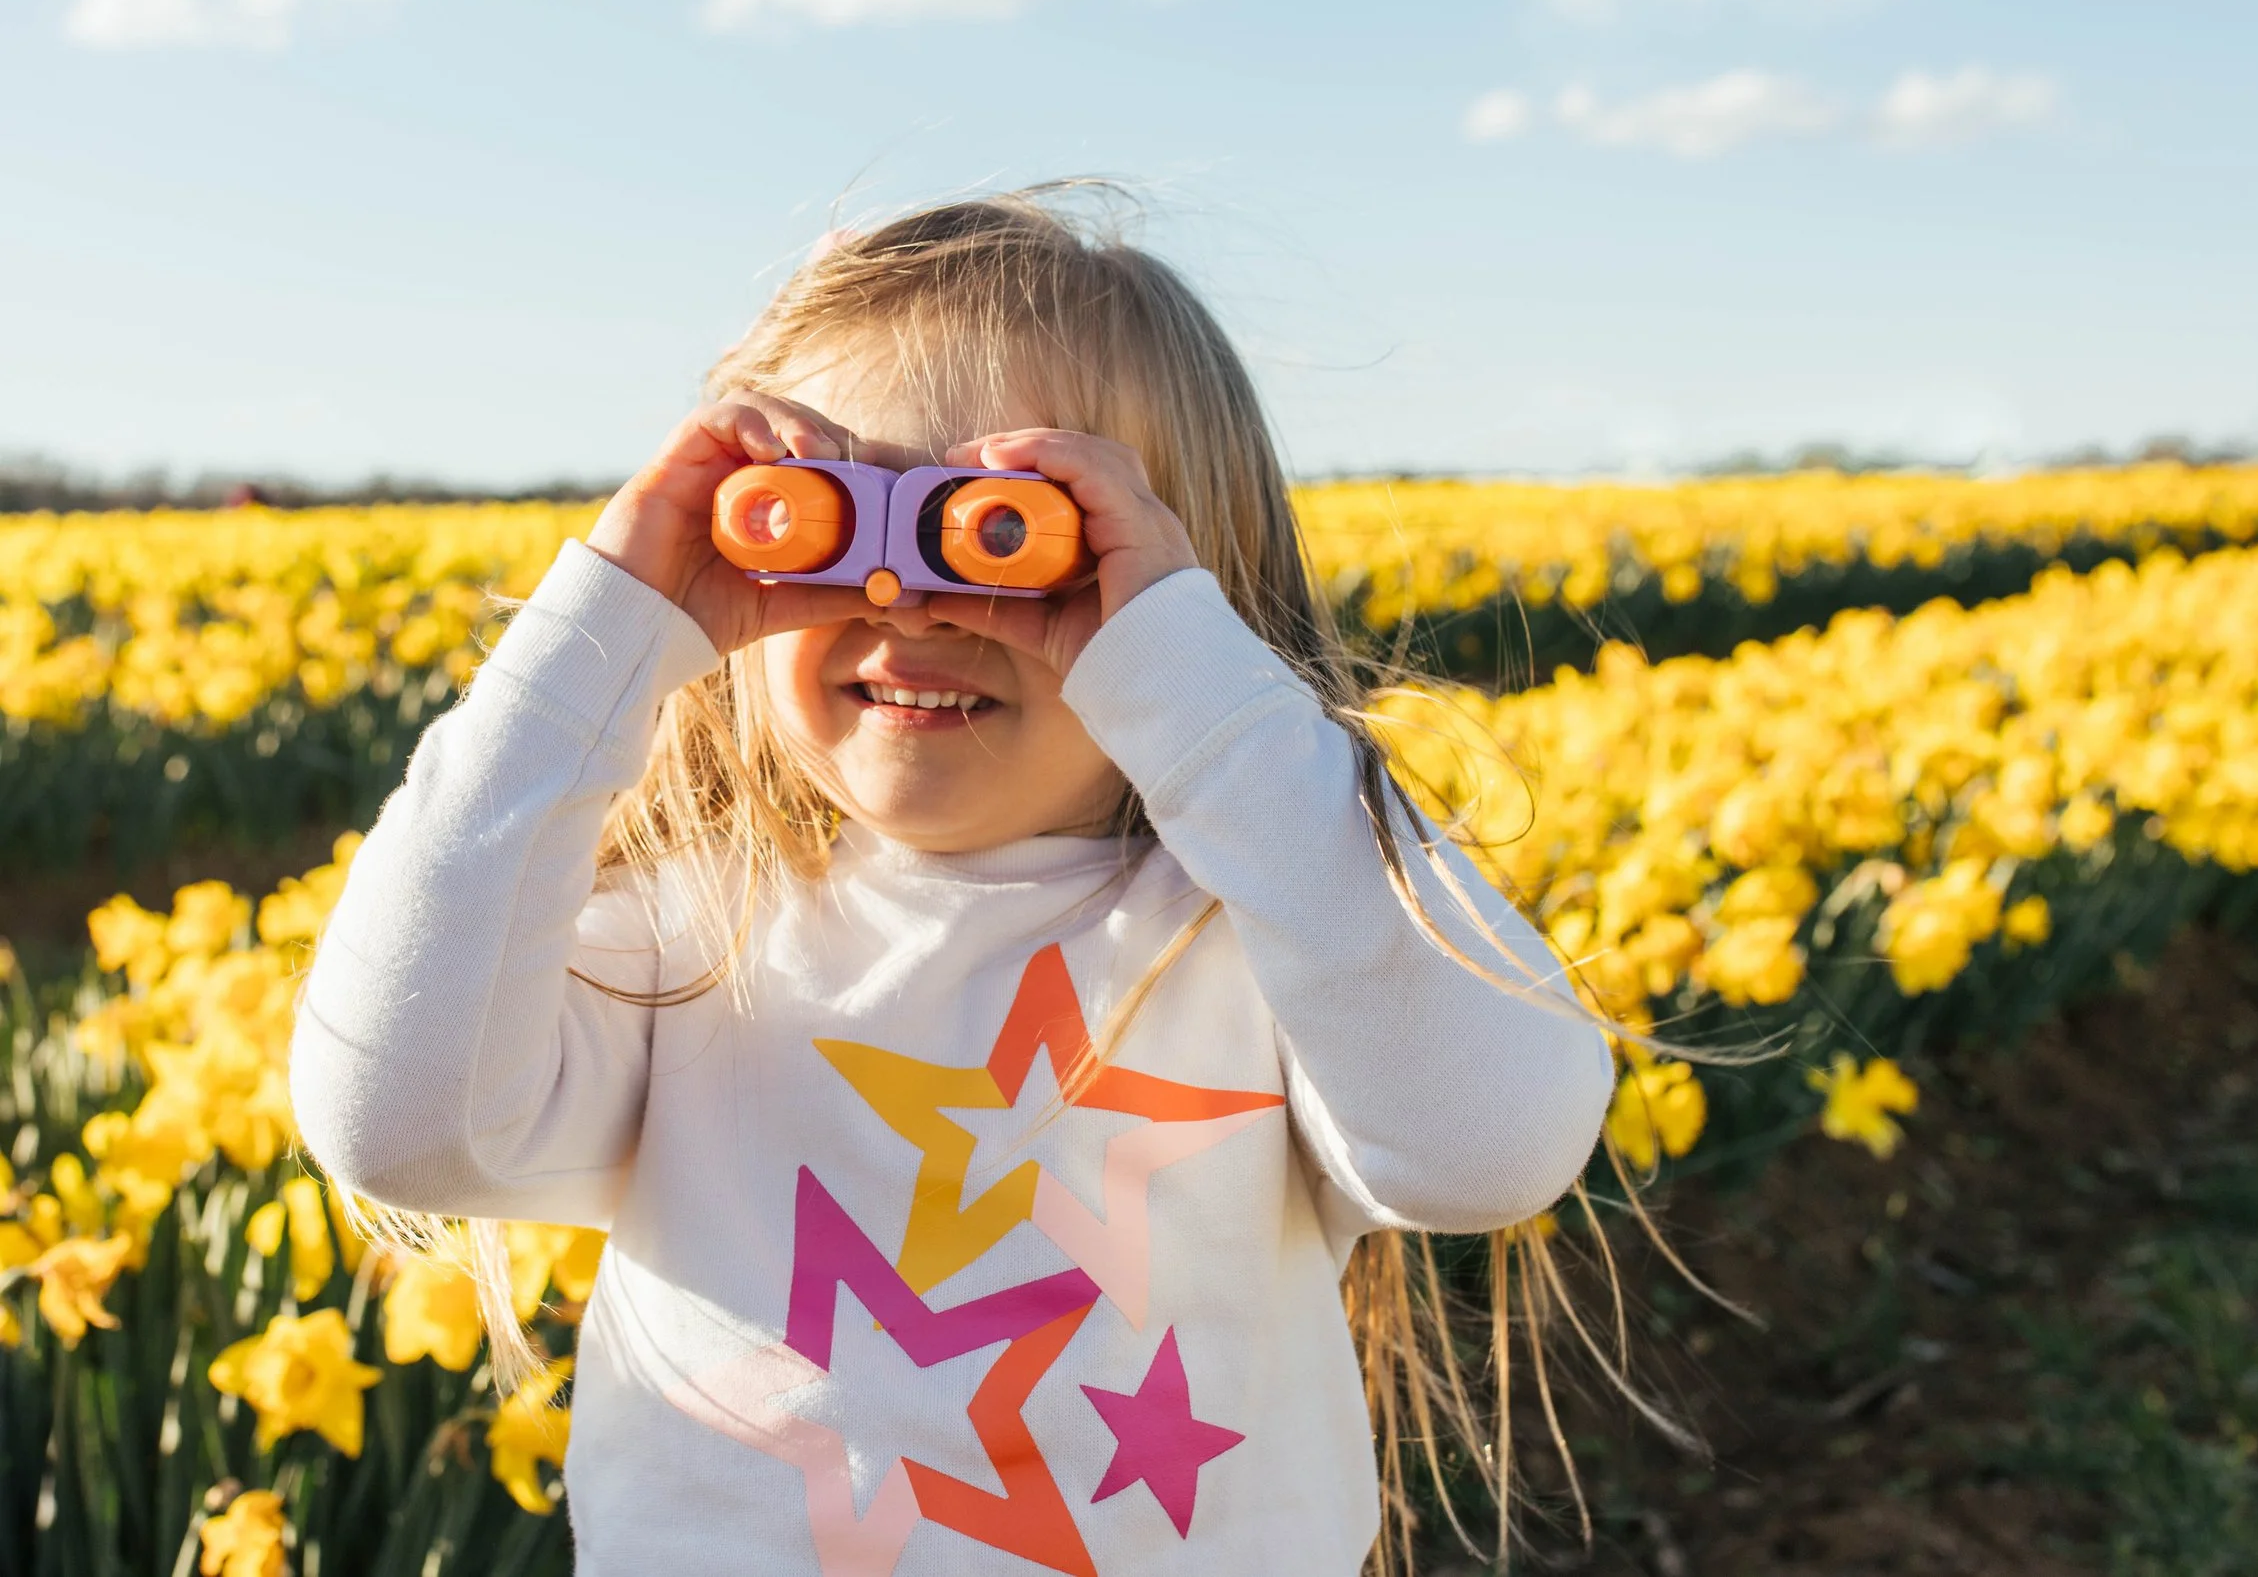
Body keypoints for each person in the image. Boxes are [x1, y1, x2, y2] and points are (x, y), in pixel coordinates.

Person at [293, 187, 1614, 1576]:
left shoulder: (1266, 929)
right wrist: (603, 628)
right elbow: (398, 1123)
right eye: (819, 523)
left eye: (1007, 530)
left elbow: (1496, 1143)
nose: (905, 599)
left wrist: (1202, 703)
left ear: (1187, 590)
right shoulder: (691, 934)